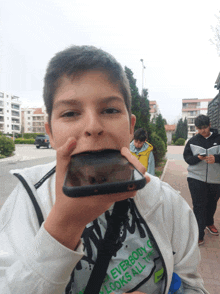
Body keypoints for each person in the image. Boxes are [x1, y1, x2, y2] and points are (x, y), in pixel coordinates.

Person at [0, 45, 209, 294]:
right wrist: (63, 227)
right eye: (70, 113)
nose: (93, 126)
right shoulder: (27, 201)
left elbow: (192, 286)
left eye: (110, 110)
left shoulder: (167, 202)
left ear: (130, 127)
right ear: (51, 134)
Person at [183, 114, 220, 245]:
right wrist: (197, 158)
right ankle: (199, 233)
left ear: (210, 125)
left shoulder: (218, 138)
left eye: (204, 127)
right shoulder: (193, 141)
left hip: (216, 179)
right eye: (199, 128)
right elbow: (187, 158)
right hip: (195, 178)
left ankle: (209, 223)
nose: (202, 131)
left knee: (211, 203)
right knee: (199, 206)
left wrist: (216, 159)